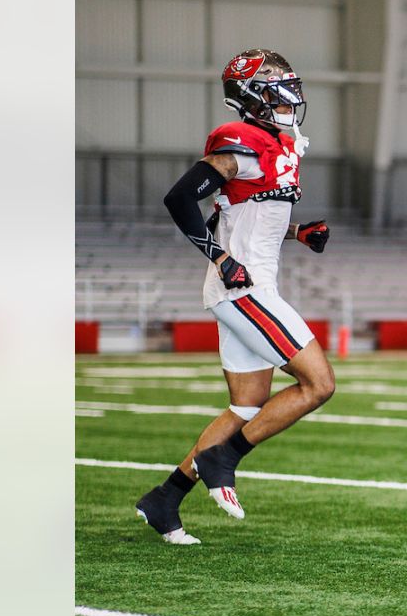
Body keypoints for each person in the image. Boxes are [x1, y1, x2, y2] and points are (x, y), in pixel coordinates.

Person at [135, 48, 336, 544]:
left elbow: (237, 216)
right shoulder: (241, 141)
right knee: (319, 384)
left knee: (247, 406)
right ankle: (224, 458)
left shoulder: (276, 146)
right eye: (272, 85)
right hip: (243, 288)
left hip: (248, 284)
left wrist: (297, 234)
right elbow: (181, 197)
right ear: (249, 97)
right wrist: (220, 258)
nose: (286, 95)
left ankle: (165, 498)